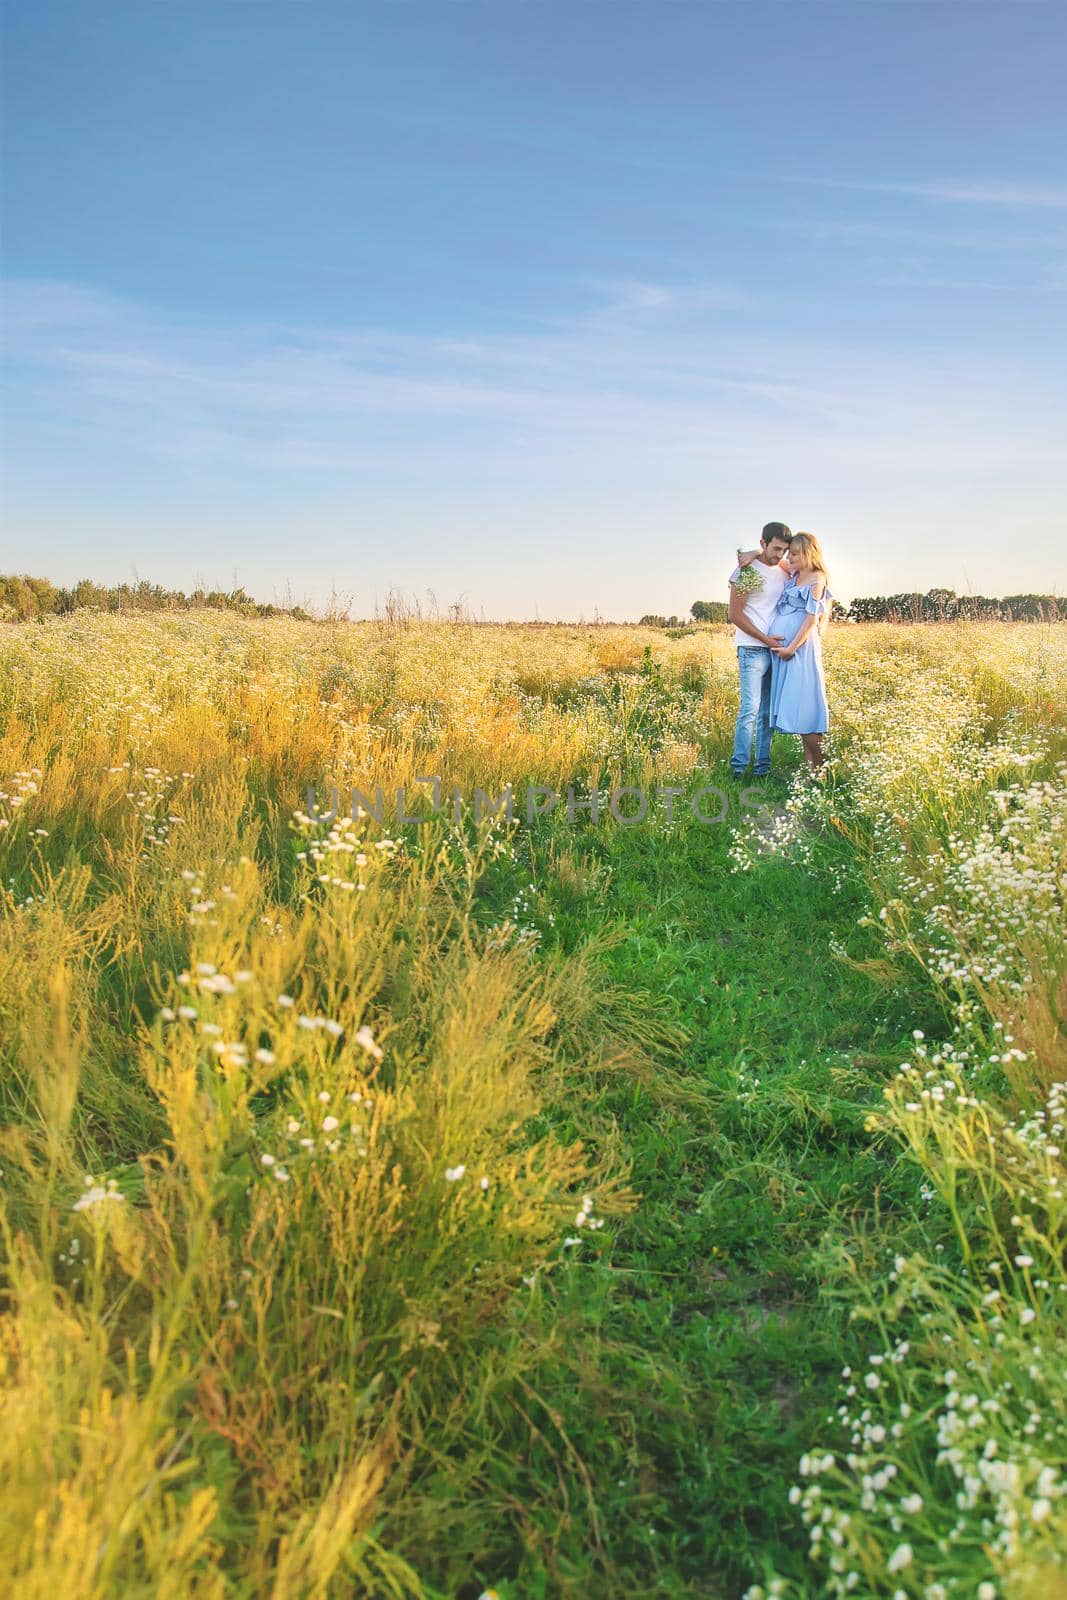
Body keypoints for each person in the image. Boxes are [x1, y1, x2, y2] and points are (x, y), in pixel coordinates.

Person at [727, 521, 792, 780]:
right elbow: (735, 615)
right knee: (750, 710)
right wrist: (766, 639)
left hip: (775, 650)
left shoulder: (785, 570)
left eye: (784, 550)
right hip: (753, 649)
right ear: (762, 543)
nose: (780, 555)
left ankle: (762, 767)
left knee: (767, 712)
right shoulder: (746, 571)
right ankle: (739, 769)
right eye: (775, 548)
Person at [765, 532, 833, 770]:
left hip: (799, 651)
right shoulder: (794, 573)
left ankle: (823, 769)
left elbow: (811, 620)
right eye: (789, 553)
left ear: (808, 553)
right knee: (798, 710)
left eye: (794, 553)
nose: (789, 557)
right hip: (786, 653)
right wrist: (753, 552)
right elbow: (769, 559)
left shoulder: (816, 578)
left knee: (805, 711)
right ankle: (811, 771)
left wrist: (790, 648)